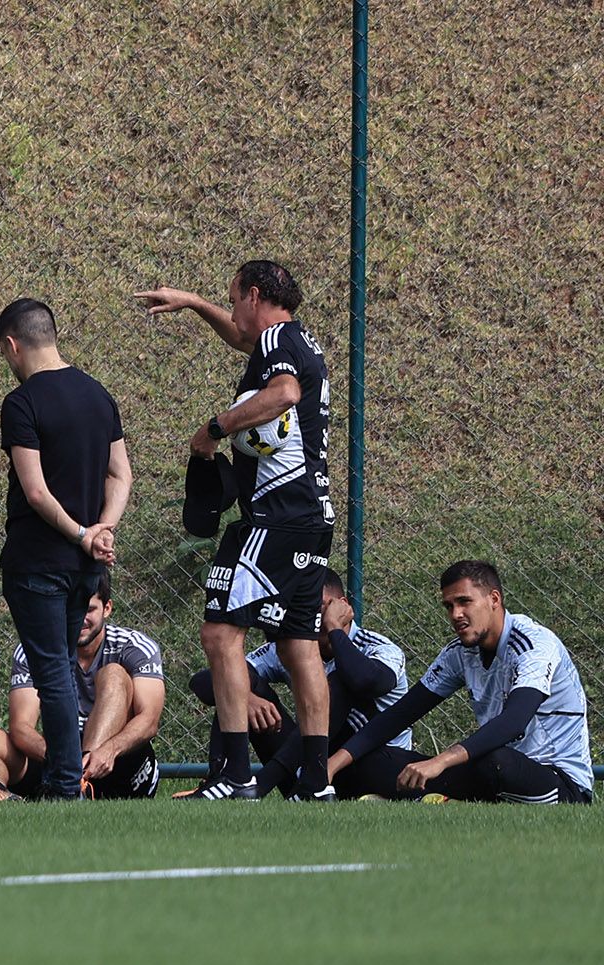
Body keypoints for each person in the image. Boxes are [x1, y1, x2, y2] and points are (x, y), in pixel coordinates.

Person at [138, 262, 336, 800]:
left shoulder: (276, 342)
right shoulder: (296, 338)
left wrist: (213, 430)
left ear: (254, 295)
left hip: (275, 516)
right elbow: (245, 341)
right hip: (311, 517)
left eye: (232, 301)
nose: (232, 314)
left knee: (221, 634)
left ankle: (233, 774)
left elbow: (284, 394)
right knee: (299, 646)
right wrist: (196, 304)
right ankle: (316, 784)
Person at [0, 298, 132, 800]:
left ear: (13, 344)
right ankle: (63, 781)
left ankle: (65, 787)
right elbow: (121, 473)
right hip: (85, 567)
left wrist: (79, 533)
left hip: (39, 560)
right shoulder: (98, 395)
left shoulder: (22, 402)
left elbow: (35, 492)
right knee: (62, 671)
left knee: (50, 669)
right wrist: (102, 531)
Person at [328, 561, 591, 804]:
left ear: (494, 599)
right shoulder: (460, 652)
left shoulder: (533, 645)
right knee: (372, 760)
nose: (456, 614)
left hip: (559, 782)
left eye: (465, 602)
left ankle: (435, 798)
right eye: (449, 606)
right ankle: (441, 799)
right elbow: (400, 714)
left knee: (496, 761)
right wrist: (332, 764)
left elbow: (513, 722)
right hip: (491, 772)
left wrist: (440, 761)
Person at [185, 570, 409, 799]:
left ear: (341, 606)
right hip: (308, 766)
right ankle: (221, 781)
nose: (309, 616)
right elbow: (203, 682)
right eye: (303, 607)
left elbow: (366, 682)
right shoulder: (293, 649)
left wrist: (333, 629)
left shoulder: (379, 648)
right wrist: (246, 698)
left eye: (318, 607)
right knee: (239, 686)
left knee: (338, 684)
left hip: (372, 767)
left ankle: (259, 787)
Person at [0, 573, 165, 800]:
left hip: (117, 761)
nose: (78, 619)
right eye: (70, 609)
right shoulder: (33, 649)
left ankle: (81, 783)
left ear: (107, 608)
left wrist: (109, 750)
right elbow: (21, 727)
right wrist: (61, 759)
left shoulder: (135, 647)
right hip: (55, 758)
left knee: (114, 673)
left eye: (88, 610)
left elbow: (149, 721)